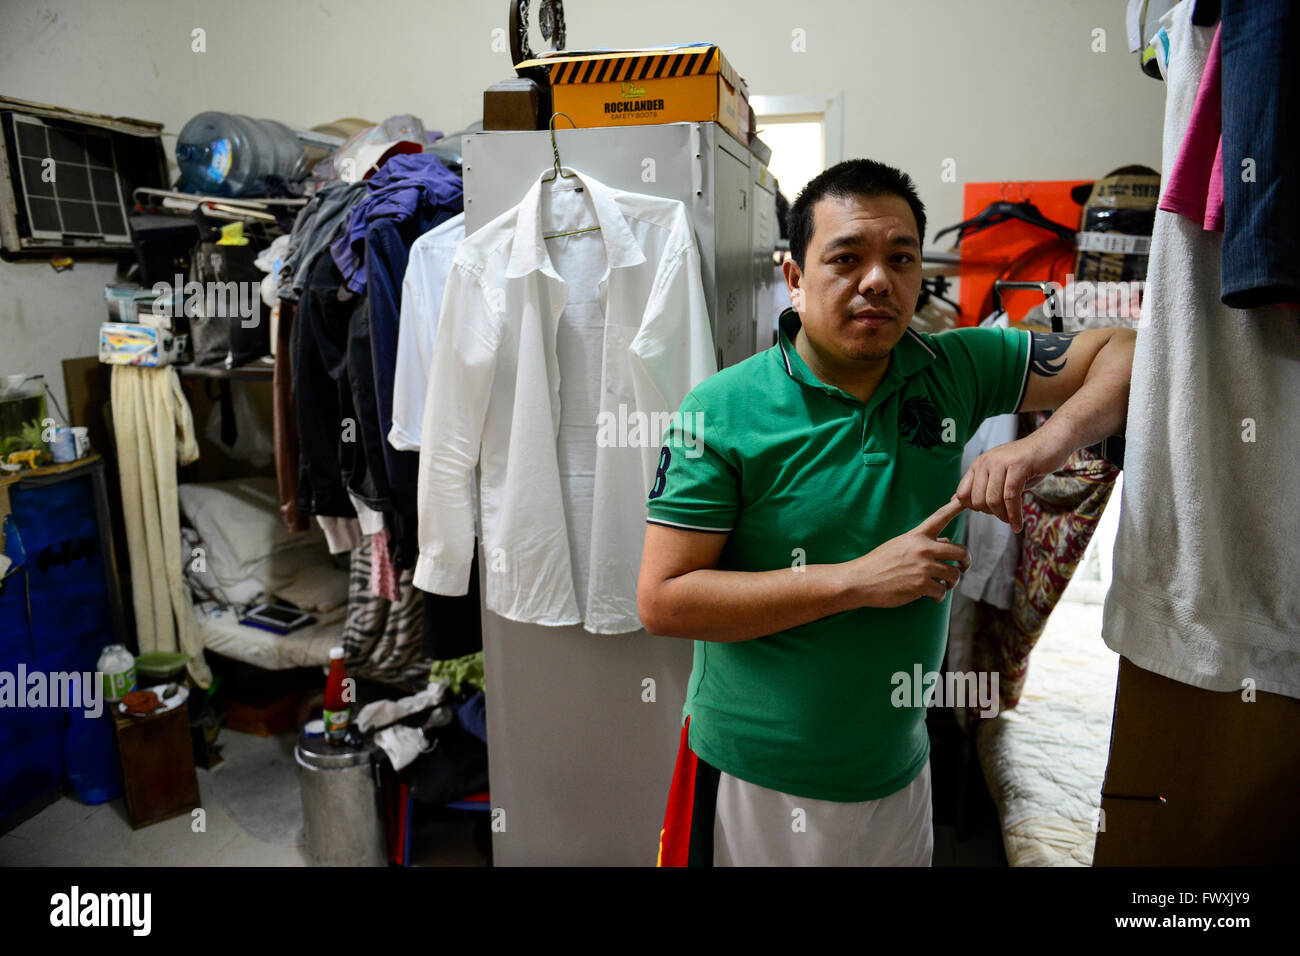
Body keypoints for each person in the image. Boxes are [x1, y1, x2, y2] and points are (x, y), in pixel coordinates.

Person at [639, 158, 1136, 866]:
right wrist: (858, 581)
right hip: (752, 778)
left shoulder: (955, 369)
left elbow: (1126, 350)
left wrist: (1040, 450)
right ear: (795, 277)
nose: (878, 279)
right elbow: (663, 600)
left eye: (900, 258)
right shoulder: (720, 411)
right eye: (846, 258)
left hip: (896, 775)